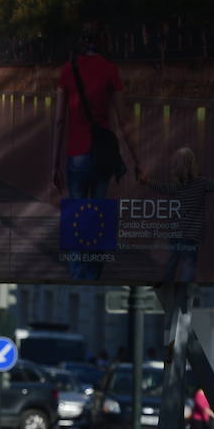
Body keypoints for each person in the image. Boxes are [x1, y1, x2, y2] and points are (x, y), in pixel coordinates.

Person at [52, 20, 145, 280]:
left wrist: (54, 165)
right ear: (101, 41)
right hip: (102, 155)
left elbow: (59, 121)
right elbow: (124, 121)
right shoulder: (110, 71)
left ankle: (76, 272)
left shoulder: (67, 71)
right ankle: (93, 273)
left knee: (76, 214)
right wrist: (137, 161)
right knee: (99, 214)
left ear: (82, 41)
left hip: (76, 154)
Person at [143, 146, 214, 284]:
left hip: (176, 232)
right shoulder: (202, 183)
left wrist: (147, 181)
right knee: (189, 264)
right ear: (192, 164)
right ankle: (184, 290)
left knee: (172, 261)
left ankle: (166, 286)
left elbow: (162, 188)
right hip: (191, 235)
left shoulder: (176, 186)